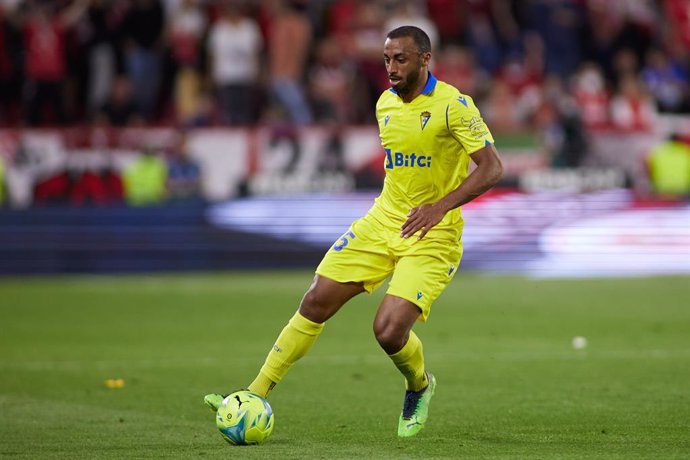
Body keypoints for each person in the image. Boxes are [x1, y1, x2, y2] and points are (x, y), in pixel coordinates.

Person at [204, 25, 504, 438]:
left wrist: (438, 207)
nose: (391, 67)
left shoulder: (454, 105)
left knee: (388, 330)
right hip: (383, 221)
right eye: (386, 59)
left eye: (400, 58)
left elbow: (492, 168)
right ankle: (252, 393)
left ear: (424, 59)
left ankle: (419, 384)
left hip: (433, 234)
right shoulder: (384, 104)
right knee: (316, 299)